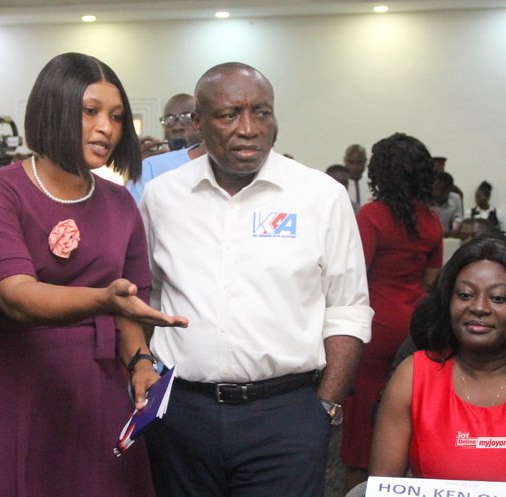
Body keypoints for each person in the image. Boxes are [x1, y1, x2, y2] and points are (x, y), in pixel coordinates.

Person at [0, 52, 187, 497]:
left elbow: (129, 310)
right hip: (7, 391)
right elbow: (17, 297)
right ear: (54, 108)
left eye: (117, 116)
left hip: (96, 400)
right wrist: (103, 300)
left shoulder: (120, 202)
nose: (107, 127)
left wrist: (141, 362)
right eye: (91, 112)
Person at [139, 62, 372, 497]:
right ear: (199, 123)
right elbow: (145, 296)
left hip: (286, 417)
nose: (248, 128)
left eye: (261, 112)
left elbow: (348, 308)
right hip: (182, 415)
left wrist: (325, 405)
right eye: (229, 115)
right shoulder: (163, 197)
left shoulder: (320, 196)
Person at [369, 236, 506, 496]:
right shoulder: (413, 374)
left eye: (498, 298)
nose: (478, 307)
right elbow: (383, 487)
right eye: (465, 295)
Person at [341, 133, 443, 492]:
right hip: (415, 326)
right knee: (408, 407)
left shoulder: (372, 215)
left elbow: (354, 274)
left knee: (362, 431)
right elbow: (432, 281)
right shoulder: (430, 219)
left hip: (375, 326)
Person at [127, 93, 208, 203]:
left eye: (186, 117)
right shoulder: (152, 167)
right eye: (169, 119)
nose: (177, 127)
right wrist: (137, 168)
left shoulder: (217, 162)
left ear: (198, 121)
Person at [429, 172, 463, 238]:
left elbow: (458, 218)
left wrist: (454, 230)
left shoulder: (455, 198)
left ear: (449, 190)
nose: (437, 193)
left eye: (441, 190)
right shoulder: (426, 199)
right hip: (428, 235)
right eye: (435, 188)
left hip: (445, 236)